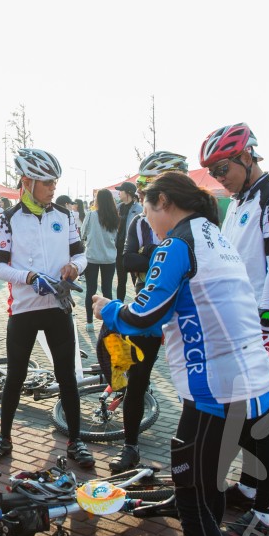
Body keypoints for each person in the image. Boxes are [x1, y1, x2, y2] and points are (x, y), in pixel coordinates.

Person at [95, 172, 269, 536]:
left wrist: (107, 308)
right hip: (256, 383)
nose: (146, 221)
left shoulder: (177, 243)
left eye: (146, 211)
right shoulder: (215, 235)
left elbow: (142, 313)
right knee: (207, 484)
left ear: (163, 201)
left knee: (193, 501)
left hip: (214, 391)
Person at [0, 148, 94, 469]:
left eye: (55, 182)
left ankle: (76, 441)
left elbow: (80, 255)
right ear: (28, 181)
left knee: (67, 378)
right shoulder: (6, 219)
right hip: (23, 310)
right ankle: (5, 438)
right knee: (16, 377)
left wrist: (74, 268)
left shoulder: (65, 216)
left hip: (57, 307)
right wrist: (29, 276)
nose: (53, 187)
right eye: (47, 182)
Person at [112, 150, 190, 472]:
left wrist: (152, 255)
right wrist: (156, 256)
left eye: (148, 194)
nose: (145, 203)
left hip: (183, 317)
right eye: (142, 194)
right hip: (148, 309)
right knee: (137, 380)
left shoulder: (194, 230)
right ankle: (130, 447)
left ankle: (192, 465)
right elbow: (127, 260)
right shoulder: (140, 223)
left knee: (192, 389)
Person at [200, 124, 269, 382]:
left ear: (245, 157)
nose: (218, 178)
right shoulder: (238, 201)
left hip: (262, 320)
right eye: (212, 172)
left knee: (258, 402)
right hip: (238, 315)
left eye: (222, 169)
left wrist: (266, 316)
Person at [81, 189, 118, 332]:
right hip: (109, 257)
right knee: (107, 289)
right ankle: (107, 322)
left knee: (91, 289)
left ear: (98, 201)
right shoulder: (114, 217)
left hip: (92, 257)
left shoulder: (90, 215)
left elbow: (83, 234)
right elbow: (115, 236)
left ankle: (89, 322)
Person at [114, 181, 142, 301]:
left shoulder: (139, 208)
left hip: (133, 249)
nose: (119, 193)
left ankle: (140, 303)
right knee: (121, 280)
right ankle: (119, 305)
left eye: (121, 190)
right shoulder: (118, 207)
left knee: (136, 278)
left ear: (128, 192)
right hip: (118, 248)